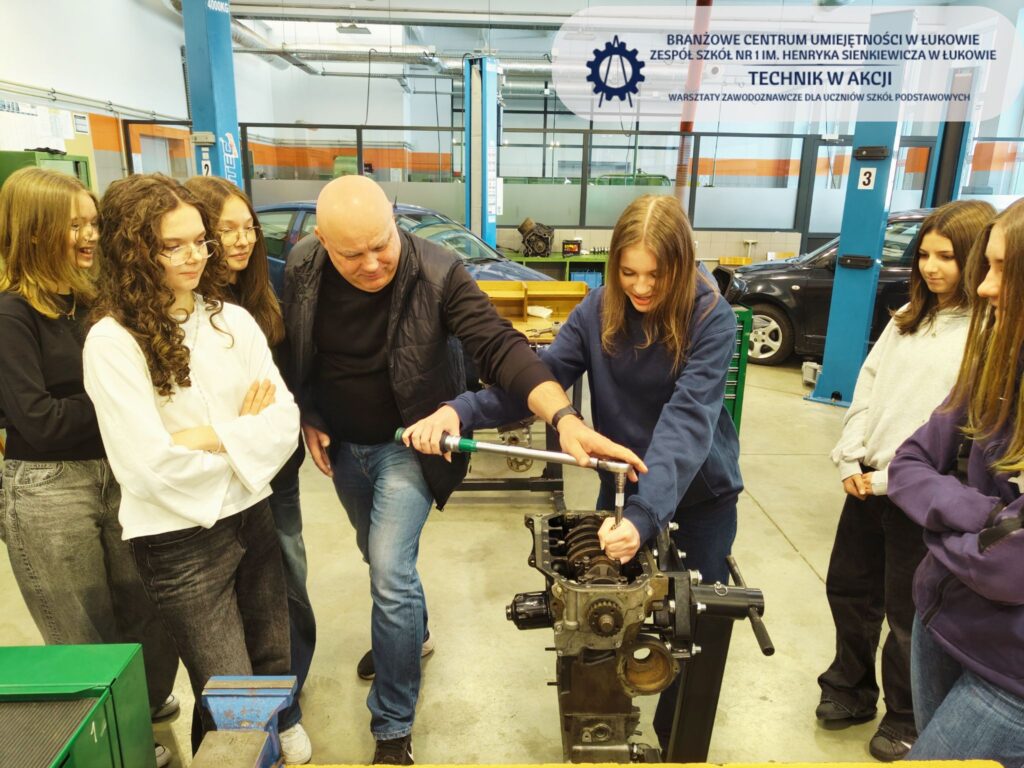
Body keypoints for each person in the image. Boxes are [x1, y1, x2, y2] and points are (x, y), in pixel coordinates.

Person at [281, 174, 643, 765]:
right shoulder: (302, 266)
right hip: (345, 447)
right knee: (378, 557)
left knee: (389, 572)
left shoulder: (438, 271)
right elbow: (296, 348)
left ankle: (392, 727)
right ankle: (412, 637)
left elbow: (500, 348)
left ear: (394, 221)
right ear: (322, 242)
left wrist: (565, 418)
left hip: (411, 446)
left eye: (382, 244)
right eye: (352, 254)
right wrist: (309, 412)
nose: (372, 264)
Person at [405, 193, 742, 754]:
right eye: (628, 273)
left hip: (698, 497)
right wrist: (460, 411)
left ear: (682, 266)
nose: (640, 288)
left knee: (692, 635)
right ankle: (605, 735)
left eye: (656, 275)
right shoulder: (598, 310)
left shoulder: (711, 317)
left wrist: (644, 514)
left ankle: (675, 744)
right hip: (625, 490)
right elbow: (538, 382)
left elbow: (686, 422)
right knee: (607, 624)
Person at [81, 174, 307, 762]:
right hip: (179, 537)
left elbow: (284, 423)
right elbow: (147, 467)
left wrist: (208, 438)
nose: (195, 256)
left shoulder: (231, 321)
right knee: (230, 691)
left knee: (270, 662)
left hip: (252, 516)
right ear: (133, 250)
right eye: (172, 245)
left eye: (200, 241)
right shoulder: (112, 342)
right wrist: (243, 442)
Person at [0, 167, 180, 768]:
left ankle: (141, 710)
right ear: (34, 230)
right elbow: (40, 422)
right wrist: (116, 399)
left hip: (115, 474)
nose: (90, 236)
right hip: (49, 490)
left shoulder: (87, 302)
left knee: (147, 611)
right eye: (74, 225)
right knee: (83, 635)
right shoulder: (11, 314)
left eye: (93, 223)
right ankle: (116, 744)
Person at [816, 200, 995, 761]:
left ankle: (905, 714)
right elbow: (867, 385)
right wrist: (851, 459)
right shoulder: (908, 319)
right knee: (849, 589)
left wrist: (891, 480)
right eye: (924, 255)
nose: (931, 267)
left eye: (947, 257)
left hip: (920, 498)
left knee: (908, 612)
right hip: (865, 484)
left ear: (976, 258)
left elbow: (961, 435)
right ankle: (849, 688)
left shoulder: (986, 335)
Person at [888, 197, 1024, 765]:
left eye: (1003, 270)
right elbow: (909, 463)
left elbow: (1012, 569)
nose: (985, 287)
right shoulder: (998, 366)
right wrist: (986, 518)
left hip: (1011, 674)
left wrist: (939, 530)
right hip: (942, 621)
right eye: (986, 266)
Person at [184, 176, 313, 763]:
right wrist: (237, 425)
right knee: (225, 618)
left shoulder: (267, 289)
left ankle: (287, 705)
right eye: (226, 230)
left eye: (247, 228)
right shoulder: (186, 307)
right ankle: (249, 720)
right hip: (213, 485)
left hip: (275, 473)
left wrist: (272, 423)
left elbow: (283, 397)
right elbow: (195, 418)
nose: (241, 240)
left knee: (286, 588)